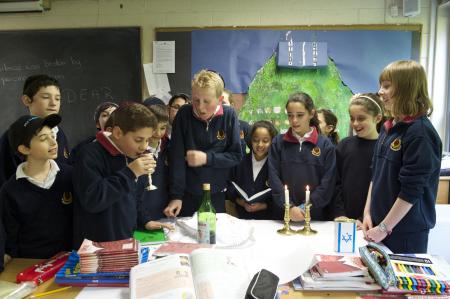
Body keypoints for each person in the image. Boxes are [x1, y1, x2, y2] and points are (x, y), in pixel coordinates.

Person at [363, 60, 441, 253]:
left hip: (405, 233)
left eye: (387, 86)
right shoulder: (388, 128)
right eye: (381, 85)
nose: (380, 91)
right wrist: (367, 213)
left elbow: (411, 190)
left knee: (399, 283)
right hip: (379, 227)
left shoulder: (420, 133)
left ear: (407, 89)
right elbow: (375, 175)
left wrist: (384, 227)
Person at [72, 102, 171, 248]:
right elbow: (93, 199)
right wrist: (130, 172)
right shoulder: (89, 154)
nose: (144, 146)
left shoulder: (130, 153)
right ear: (118, 133)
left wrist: (145, 221)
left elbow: (133, 196)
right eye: (138, 140)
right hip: (97, 246)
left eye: (147, 140)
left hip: (125, 240)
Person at [164, 70, 242, 217]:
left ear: (219, 100)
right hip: (188, 194)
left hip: (216, 194)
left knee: (212, 237)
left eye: (207, 101)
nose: (200, 107)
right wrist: (176, 196)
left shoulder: (229, 115)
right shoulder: (184, 115)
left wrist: (206, 158)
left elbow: (236, 156)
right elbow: (177, 159)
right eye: (195, 100)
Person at [1, 114, 73, 259]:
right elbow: (11, 238)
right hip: (31, 265)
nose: (53, 142)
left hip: (71, 263)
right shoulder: (10, 191)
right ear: (25, 149)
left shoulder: (71, 176)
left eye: (52, 135)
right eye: (43, 138)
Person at [268, 92, 336, 221]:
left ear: (311, 113)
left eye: (300, 115)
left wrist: (305, 207)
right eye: (290, 115)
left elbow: (328, 183)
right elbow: (273, 177)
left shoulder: (325, 146)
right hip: (282, 216)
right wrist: (289, 207)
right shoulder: (278, 143)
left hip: (314, 217)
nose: (294, 120)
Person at [0, 75, 70, 188]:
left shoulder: (59, 133)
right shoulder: (13, 137)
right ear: (27, 100)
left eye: (57, 98)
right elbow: (4, 181)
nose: (53, 103)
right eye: (46, 97)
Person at [331, 93, 384, 224]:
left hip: (370, 222)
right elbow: (335, 183)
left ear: (377, 118)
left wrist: (365, 218)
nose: (355, 123)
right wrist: (339, 213)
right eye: (352, 118)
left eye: (361, 118)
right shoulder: (344, 145)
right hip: (343, 219)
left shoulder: (384, 148)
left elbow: (383, 189)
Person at [227, 120, 277, 219]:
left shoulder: (275, 165)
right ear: (250, 140)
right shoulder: (240, 162)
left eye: (265, 141)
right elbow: (229, 187)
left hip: (267, 220)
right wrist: (241, 202)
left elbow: (282, 196)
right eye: (256, 140)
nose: (260, 144)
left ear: (272, 141)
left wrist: (264, 205)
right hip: (241, 219)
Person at [139, 104, 170, 222]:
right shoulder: (137, 152)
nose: (158, 133)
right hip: (142, 212)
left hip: (163, 209)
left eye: (162, 128)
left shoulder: (168, 147)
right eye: (153, 128)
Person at [223, 88, 251, 155]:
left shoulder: (244, 126)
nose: (219, 106)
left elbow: (256, 150)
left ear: (231, 105)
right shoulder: (208, 127)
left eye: (223, 103)